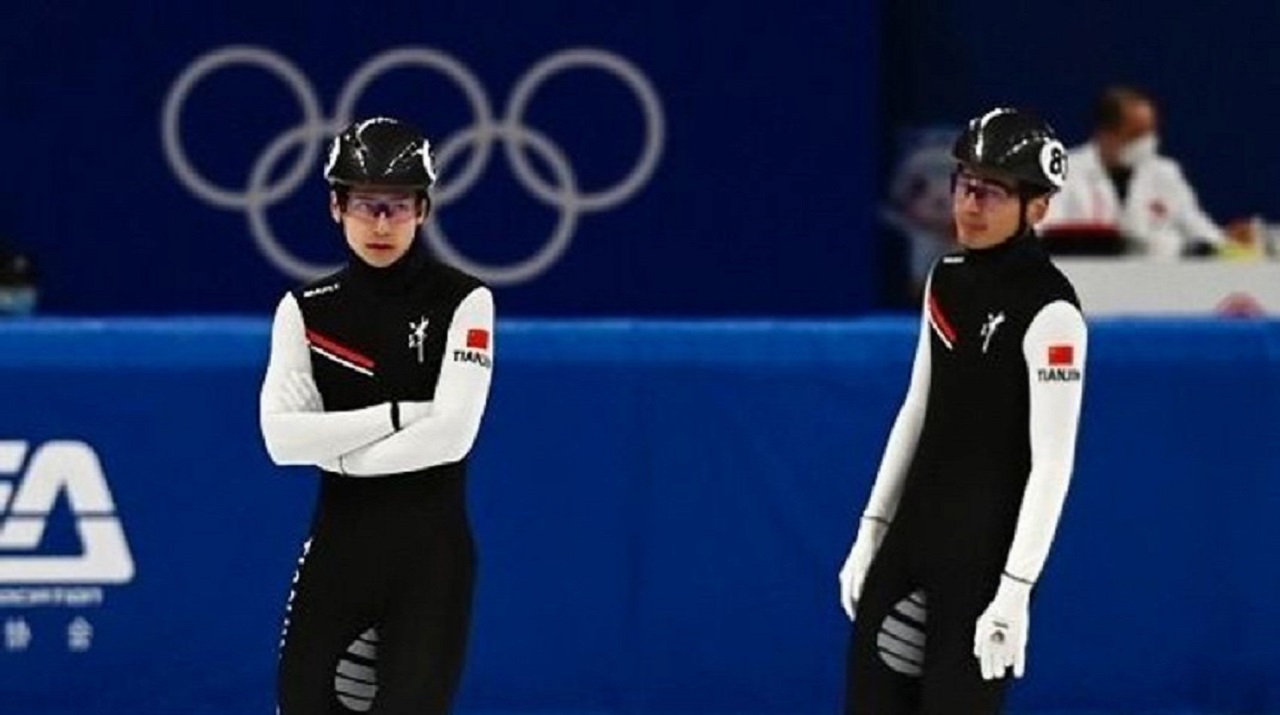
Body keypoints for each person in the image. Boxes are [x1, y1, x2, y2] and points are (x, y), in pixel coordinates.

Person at [838, 107, 1088, 713]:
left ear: (1037, 207)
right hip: (910, 540)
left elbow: (1053, 464)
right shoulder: (945, 278)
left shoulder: (1052, 312)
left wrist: (1016, 589)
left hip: (981, 562)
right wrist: (871, 529)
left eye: (992, 191)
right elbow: (918, 407)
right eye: (964, 184)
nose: (970, 204)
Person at [259, 116, 495, 714]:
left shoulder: (465, 301)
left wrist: (336, 453)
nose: (382, 224)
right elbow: (280, 441)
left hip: (431, 560)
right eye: (367, 205)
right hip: (338, 550)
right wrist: (397, 414)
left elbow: (452, 436)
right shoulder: (305, 310)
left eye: (398, 206)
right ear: (336, 207)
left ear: (423, 210)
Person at [1037, 85, 1253, 258]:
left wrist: (1228, 241)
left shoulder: (1166, 174)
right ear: (1106, 133)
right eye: (1137, 134)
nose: (1147, 142)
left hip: (1155, 285)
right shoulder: (1065, 171)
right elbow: (1043, 233)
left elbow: (1200, 231)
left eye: (1150, 132)